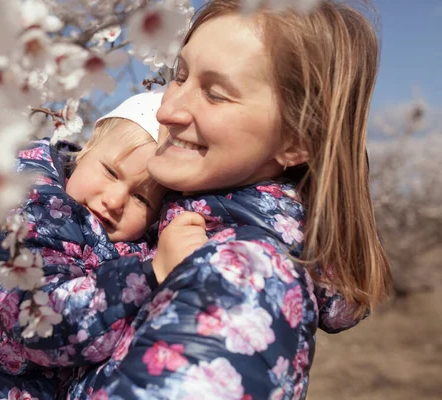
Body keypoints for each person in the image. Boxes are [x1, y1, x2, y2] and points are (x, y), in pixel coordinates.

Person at [66, 1, 392, 399]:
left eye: (216, 94)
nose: (167, 110)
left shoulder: (243, 279)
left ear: (296, 142)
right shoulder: (177, 232)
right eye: (180, 76)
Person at [0, 89, 170, 400]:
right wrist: (148, 274)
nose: (115, 201)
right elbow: (40, 324)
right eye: (110, 171)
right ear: (84, 152)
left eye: (141, 198)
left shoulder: (134, 247)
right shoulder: (35, 209)